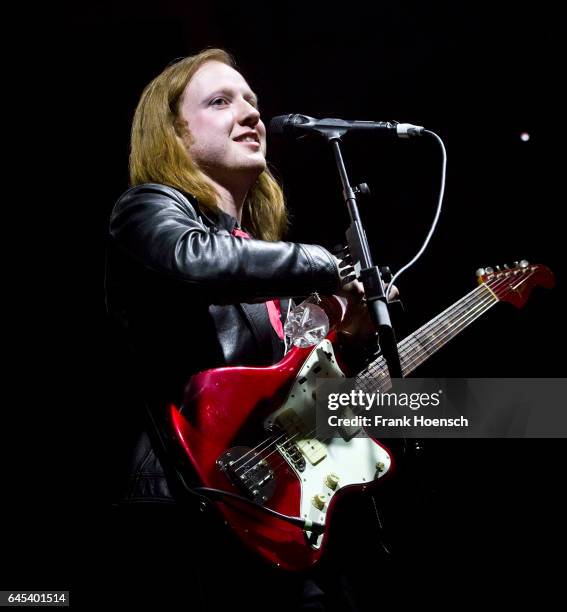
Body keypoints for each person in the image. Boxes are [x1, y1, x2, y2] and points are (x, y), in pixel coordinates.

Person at [104, 47, 385, 611]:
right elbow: (192, 259)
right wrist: (325, 262)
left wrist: (351, 336)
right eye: (220, 101)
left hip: (277, 515)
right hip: (189, 505)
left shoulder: (259, 263)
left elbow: (297, 404)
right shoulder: (147, 210)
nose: (251, 113)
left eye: (253, 101)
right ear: (175, 136)